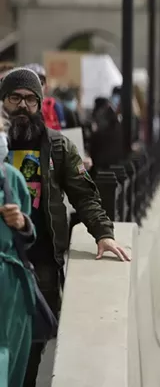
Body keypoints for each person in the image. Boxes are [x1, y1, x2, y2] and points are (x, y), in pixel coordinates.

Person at [0, 68, 128, 387]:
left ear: (40, 104)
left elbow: (85, 194)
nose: (22, 105)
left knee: (31, 344)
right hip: (2, 256)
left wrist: (104, 233)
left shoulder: (58, 146)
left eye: (31, 99)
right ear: (3, 102)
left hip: (40, 261)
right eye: (15, 97)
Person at [0, 117, 36, 387]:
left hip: (12, 291)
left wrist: (23, 223)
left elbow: (29, 234)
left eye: (0, 128)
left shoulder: (12, 179)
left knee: (12, 366)